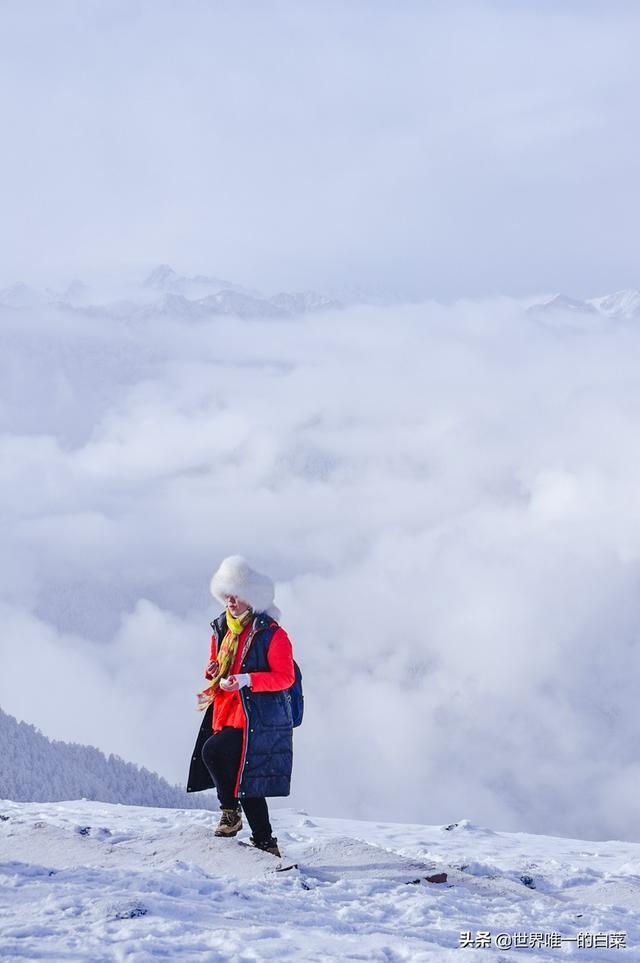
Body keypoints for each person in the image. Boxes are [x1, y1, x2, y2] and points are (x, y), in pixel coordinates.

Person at [186, 555, 295, 857]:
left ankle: (231, 814)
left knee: (218, 755)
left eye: (236, 595)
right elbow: (219, 665)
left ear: (252, 599)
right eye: (227, 595)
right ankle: (264, 841)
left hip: (255, 719)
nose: (230, 601)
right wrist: (213, 671)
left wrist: (247, 679)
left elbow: (284, 678)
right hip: (226, 710)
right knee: (243, 776)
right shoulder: (223, 628)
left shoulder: (273, 635)